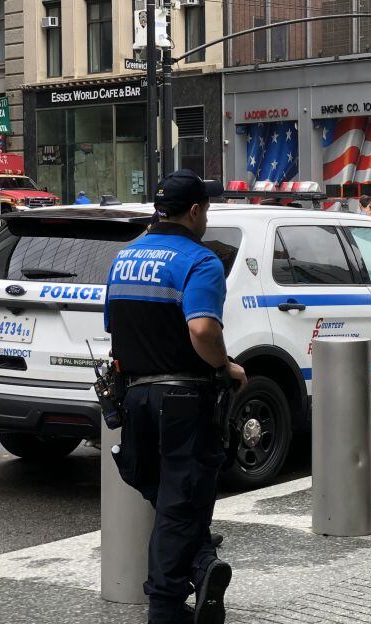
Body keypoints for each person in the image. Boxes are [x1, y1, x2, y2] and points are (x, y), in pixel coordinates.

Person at [105, 169, 245, 624]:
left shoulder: (125, 257)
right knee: (182, 501)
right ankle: (167, 606)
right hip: (184, 398)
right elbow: (203, 328)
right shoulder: (199, 260)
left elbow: (115, 327)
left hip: (134, 398)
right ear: (195, 211)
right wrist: (225, 366)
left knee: (163, 493)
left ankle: (202, 563)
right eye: (206, 208)